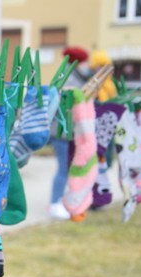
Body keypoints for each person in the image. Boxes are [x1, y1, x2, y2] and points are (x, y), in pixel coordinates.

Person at [48, 46, 90, 219]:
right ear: (77, 62)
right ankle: (55, 203)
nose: (88, 65)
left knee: (68, 168)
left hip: (70, 132)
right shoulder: (68, 80)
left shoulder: (75, 77)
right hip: (62, 132)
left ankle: (63, 200)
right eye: (85, 62)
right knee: (63, 168)